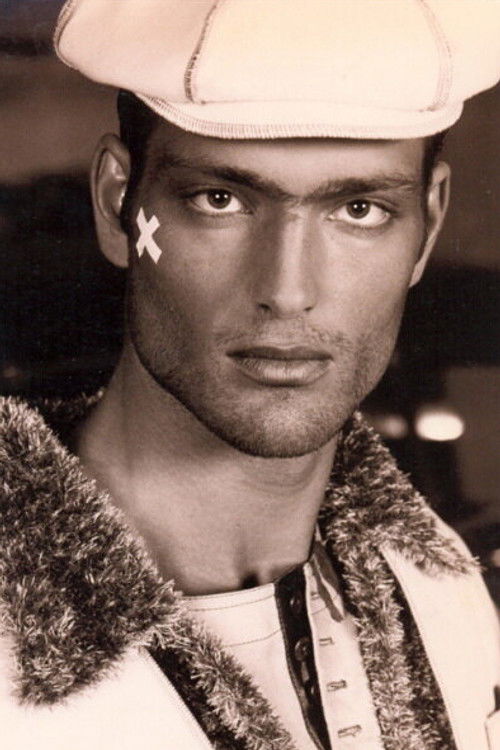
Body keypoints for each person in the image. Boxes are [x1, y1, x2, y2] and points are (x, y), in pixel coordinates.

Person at [1, 1, 499, 748]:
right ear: (117, 203)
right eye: (222, 200)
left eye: (359, 209)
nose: (288, 290)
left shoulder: (441, 586)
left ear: (427, 225)